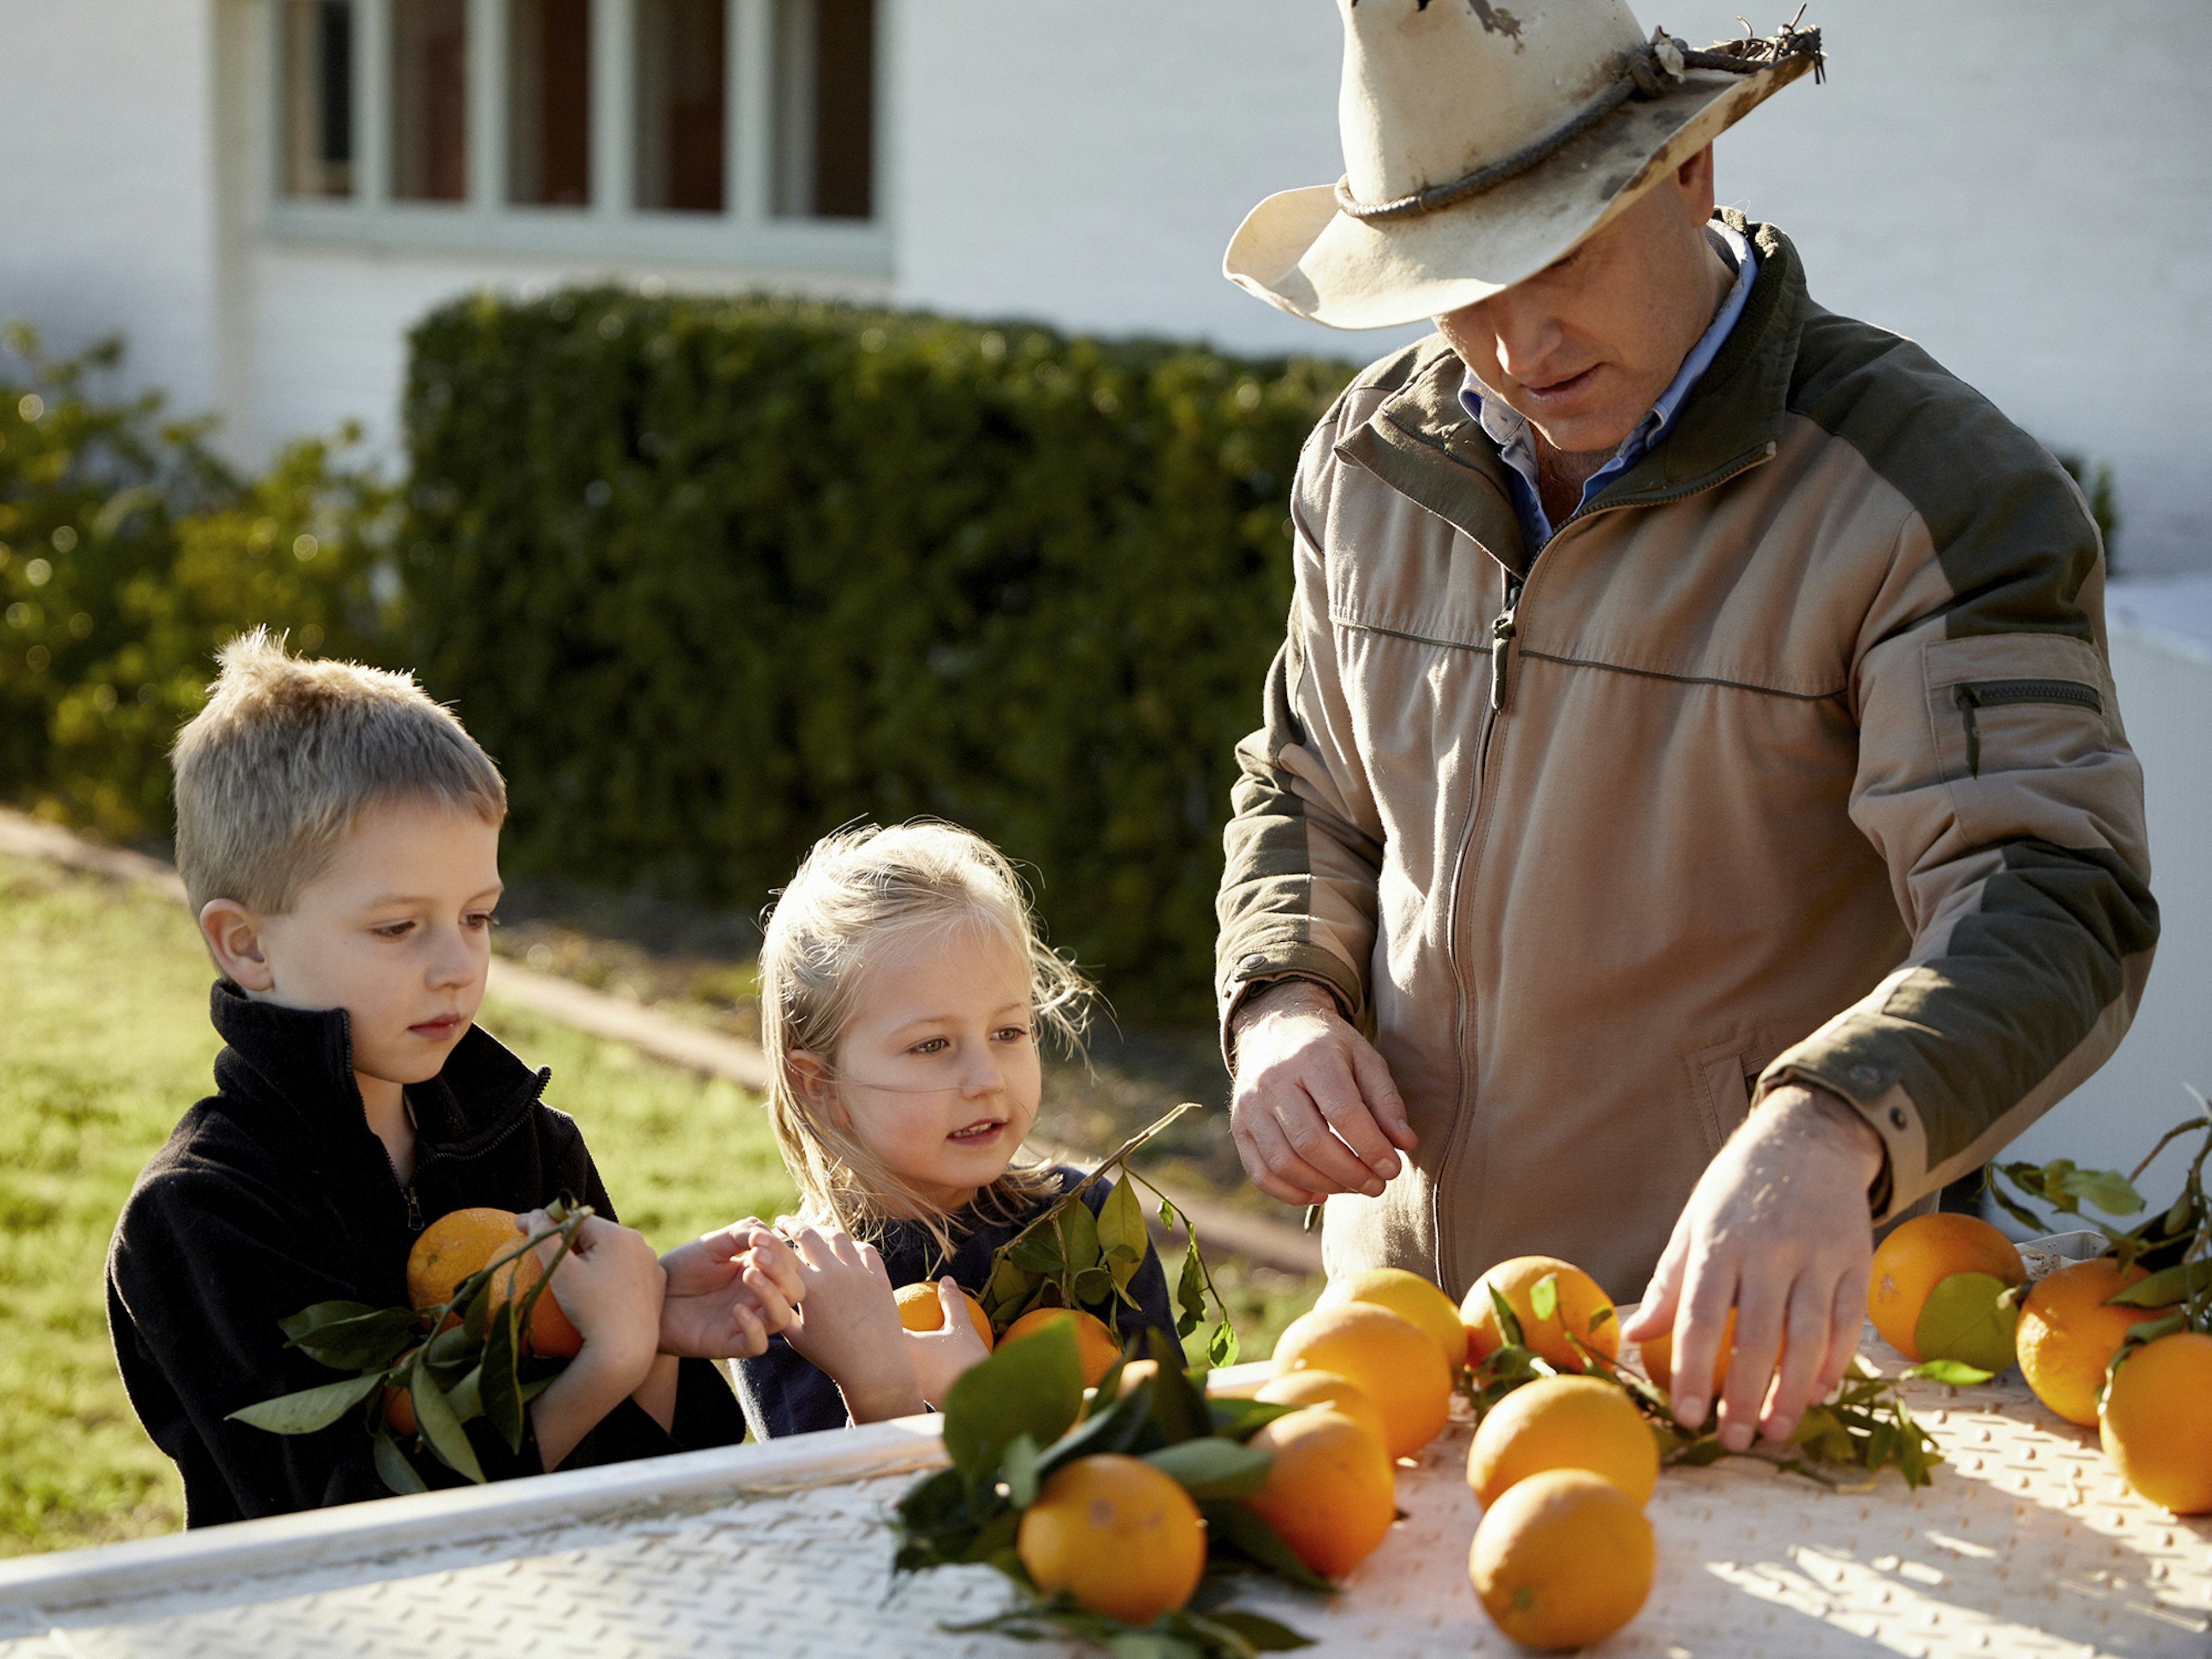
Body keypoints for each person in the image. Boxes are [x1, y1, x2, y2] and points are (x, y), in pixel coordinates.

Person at [1213, 5, 2154, 1456]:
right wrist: (1278, 997)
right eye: (1459, 283)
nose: (1516, 343)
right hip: (1396, 1356)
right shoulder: (1363, 458)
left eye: (1558, 254)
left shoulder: (1938, 494)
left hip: (1747, 1372)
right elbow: (1305, 790)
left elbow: (2050, 892)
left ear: (1687, 169)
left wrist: (1830, 1123)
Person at [107, 630, 804, 1524]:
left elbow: (657, 1483)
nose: (456, 967)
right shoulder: (204, 1213)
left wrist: (652, 1322)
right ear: (246, 944)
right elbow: (346, 1524)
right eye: (399, 928)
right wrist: (607, 1363)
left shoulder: (523, 1139)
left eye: (478, 918)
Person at [733, 821, 1179, 1438]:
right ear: (822, 1085)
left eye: (1008, 1032)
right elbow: (844, 1518)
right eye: (932, 1045)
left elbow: (1172, 1445)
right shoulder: (799, 1295)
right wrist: (926, 1396)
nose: (986, 1078)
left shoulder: (1092, 1225)